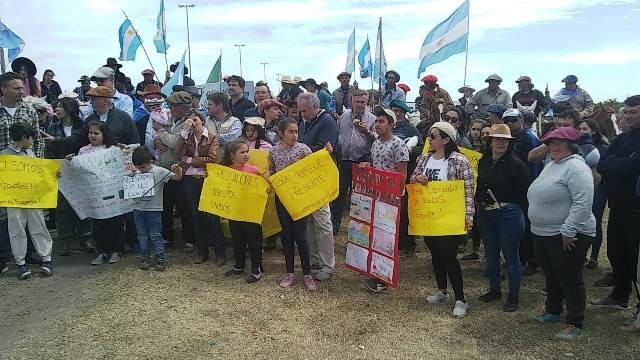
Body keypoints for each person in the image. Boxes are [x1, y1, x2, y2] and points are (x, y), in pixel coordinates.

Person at [528, 126, 595, 340]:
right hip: (544, 232)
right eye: (550, 143)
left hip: (567, 233)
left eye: (560, 143)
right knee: (551, 273)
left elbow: (583, 203)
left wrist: (568, 230)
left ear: (571, 146)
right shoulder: (553, 165)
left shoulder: (576, 168)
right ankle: (553, 310)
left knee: (569, 277)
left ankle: (575, 321)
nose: (554, 147)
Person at [410, 121, 475, 318]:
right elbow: (412, 180)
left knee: (448, 256)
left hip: (450, 217)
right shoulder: (424, 159)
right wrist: (418, 179)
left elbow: (468, 191)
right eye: (429, 135)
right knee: (435, 254)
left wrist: (468, 216)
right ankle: (442, 289)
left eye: (433, 136)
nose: (429, 139)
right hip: (429, 216)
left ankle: (461, 299)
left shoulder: (459, 161)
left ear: (446, 139)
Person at [592, 95, 640, 319]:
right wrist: (623, 164)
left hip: (636, 208)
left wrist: (618, 165)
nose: (628, 116)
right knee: (616, 252)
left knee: (634, 258)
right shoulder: (622, 139)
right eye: (626, 112)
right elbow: (602, 164)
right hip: (618, 205)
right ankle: (620, 296)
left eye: (633, 112)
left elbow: (632, 165)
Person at [476, 124, 531, 312]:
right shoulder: (483, 161)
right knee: (491, 255)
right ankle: (494, 290)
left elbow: (525, 193)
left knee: (511, 257)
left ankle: (513, 296)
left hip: (508, 213)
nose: (500, 143)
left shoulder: (517, 165)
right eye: (497, 139)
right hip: (486, 213)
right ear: (490, 142)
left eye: (504, 140)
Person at [362, 106, 410, 292]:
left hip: (391, 197)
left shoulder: (398, 144)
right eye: (376, 121)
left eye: (381, 121)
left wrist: (394, 196)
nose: (377, 124)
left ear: (391, 124)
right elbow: (376, 165)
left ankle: (383, 277)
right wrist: (367, 165)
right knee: (377, 235)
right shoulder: (375, 143)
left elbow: (402, 174)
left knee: (388, 236)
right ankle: (376, 270)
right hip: (376, 194)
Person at [268, 117, 319, 291]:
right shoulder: (274, 151)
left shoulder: (303, 150)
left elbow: (315, 167)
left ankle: (307, 274)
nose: (294, 135)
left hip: (300, 199)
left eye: (296, 131)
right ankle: (289, 272)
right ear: (281, 133)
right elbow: (273, 171)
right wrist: (268, 178)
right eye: (290, 132)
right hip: (282, 199)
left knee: (301, 236)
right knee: (287, 236)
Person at [66, 120, 125, 265]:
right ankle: (102, 251)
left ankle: (116, 250)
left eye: (96, 133)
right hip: (94, 194)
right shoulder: (83, 151)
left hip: (111, 193)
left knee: (114, 222)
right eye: (90, 133)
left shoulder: (112, 149)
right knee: (98, 223)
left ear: (104, 134)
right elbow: (79, 171)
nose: (93, 135)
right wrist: (71, 161)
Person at [1, 122, 54, 279]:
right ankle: (21, 262)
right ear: (24, 138)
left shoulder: (30, 154)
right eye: (32, 138)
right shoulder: (4, 155)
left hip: (33, 197)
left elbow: (39, 174)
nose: (33, 142)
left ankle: (47, 259)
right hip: (14, 200)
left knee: (38, 225)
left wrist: (52, 174)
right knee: (16, 228)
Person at [175, 110, 226, 265]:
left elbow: (212, 158)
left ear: (202, 121)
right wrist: (183, 132)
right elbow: (178, 153)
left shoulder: (212, 137)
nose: (193, 124)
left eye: (195, 120)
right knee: (196, 216)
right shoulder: (187, 137)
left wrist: (190, 159)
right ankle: (202, 251)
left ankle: (220, 253)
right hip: (190, 179)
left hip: (206, 178)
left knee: (211, 216)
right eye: (190, 122)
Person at [297, 92, 338, 281]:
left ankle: (327, 264)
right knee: (310, 222)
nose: (302, 113)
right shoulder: (304, 122)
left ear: (315, 107)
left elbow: (324, 148)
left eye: (304, 110)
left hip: (321, 177)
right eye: (300, 110)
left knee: (322, 221)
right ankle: (313, 259)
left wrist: (298, 152)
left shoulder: (327, 121)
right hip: (306, 177)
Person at [45, 98, 93, 256]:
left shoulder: (82, 125)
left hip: (80, 170)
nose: (56, 109)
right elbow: (49, 149)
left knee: (82, 204)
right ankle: (64, 241)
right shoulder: (51, 127)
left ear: (69, 108)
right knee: (62, 209)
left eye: (60, 106)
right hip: (61, 171)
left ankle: (85, 238)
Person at [153, 91, 195, 251]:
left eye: (173, 106)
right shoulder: (172, 119)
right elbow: (161, 140)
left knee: (184, 207)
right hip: (165, 170)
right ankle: (167, 237)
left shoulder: (189, 121)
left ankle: (189, 240)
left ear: (182, 107)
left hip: (180, 170)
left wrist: (160, 131)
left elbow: (175, 142)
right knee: (166, 206)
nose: (170, 108)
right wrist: (156, 140)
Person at [129, 147, 182, 271]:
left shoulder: (159, 171)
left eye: (142, 167)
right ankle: (144, 257)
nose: (140, 170)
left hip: (153, 209)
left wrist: (178, 171)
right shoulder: (136, 173)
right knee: (141, 235)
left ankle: (160, 258)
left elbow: (176, 178)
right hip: (138, 209)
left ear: (150, 162)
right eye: (137, 167)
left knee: (156, 235)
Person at [332, 90, 376, 234]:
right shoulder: (344, 116)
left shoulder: (372, 119)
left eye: (363, 102)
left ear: (367, 102)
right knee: (339, 195)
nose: (360, 105)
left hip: (362, 161)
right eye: (357, 102)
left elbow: (377, 140)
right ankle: (334, 225)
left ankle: (359, 229)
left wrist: (367, 132)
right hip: (345, 160)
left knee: (360, 197)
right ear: (352, 101)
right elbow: (338, 135)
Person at [222, 139, 265, 283]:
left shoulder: (254, 170)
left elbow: (263, 187)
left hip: (252, 214)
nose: (246, 154)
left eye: (247, 151)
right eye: (242, 152)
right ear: (233, 155)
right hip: (235, 212)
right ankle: (239, 265)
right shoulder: (227, 171)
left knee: (254, 242)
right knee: (237, 240)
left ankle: (256, 269)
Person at [389, 99, 424, 254]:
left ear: (404, 113)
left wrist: (411, 151)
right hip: (388, 172)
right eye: (394, 111)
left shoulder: (411, 130)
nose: (397, 114)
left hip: (406, 171)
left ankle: (407, 241)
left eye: (400, 112)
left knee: (405, 208)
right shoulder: (386, 127)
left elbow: (421, 148)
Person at [578, 118, 609, 269]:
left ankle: (594, 256)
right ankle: (581, 254)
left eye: (585, 129)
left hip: (599, 188)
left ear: (594, 130)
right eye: (580, 129)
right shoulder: (578, 146)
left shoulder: (602, 147)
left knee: (595, 220)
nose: (581, 132)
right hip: (582, 188)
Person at [0, 72, 44, 157]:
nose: (21, 92)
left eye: (22, 88)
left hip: (26, 166)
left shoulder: (30, 111)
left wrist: (39, 162)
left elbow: (37, 139)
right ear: (3, 89)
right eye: (16, 88)